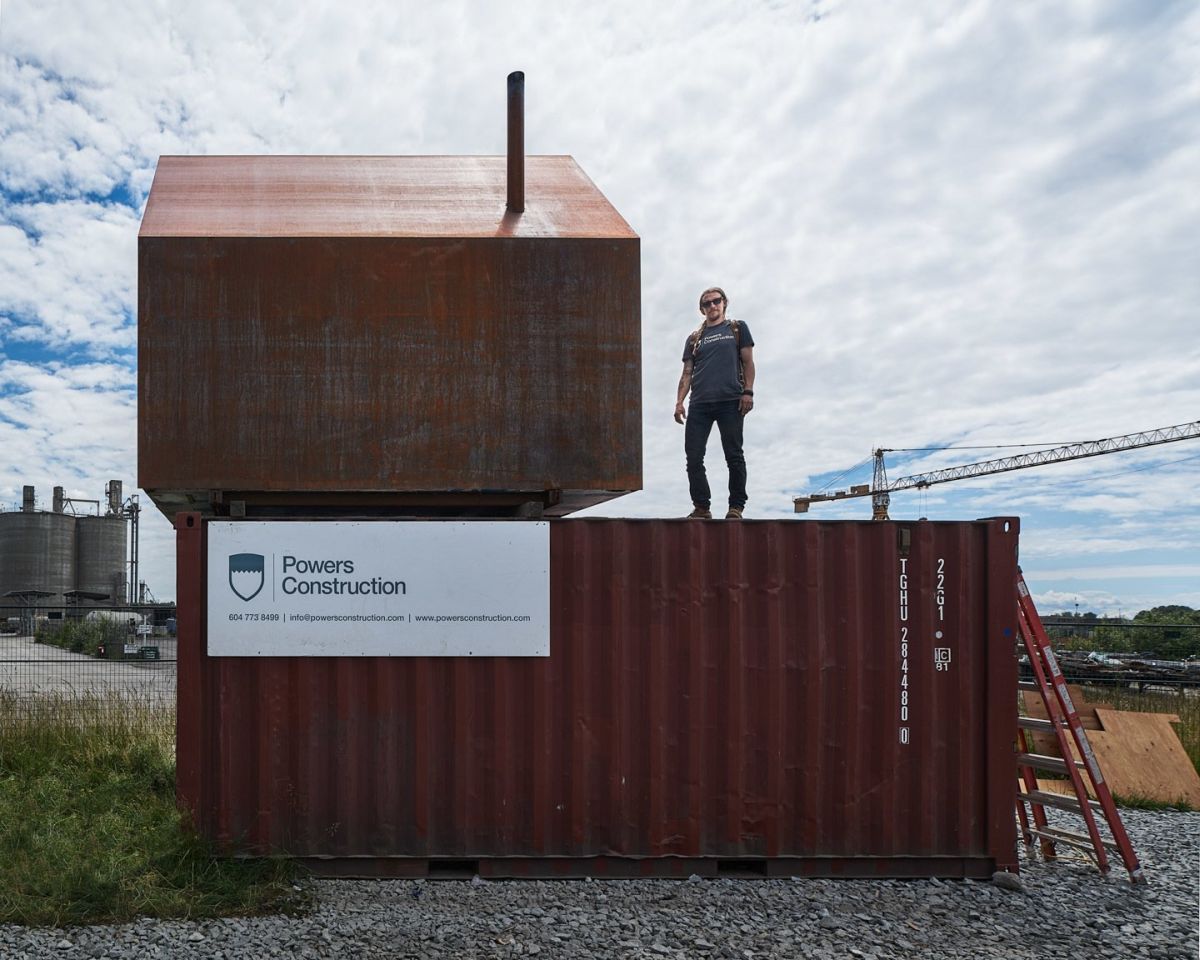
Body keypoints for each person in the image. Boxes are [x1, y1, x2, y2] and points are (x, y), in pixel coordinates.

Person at [674, 286, 755, 519]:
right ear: (702, 309)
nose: (712, 306)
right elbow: (687, 372)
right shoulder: (694, 339)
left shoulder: (737, 329)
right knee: (694, 457)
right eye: (707, 303)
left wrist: (748, 392)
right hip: (699, 404)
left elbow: (748, 362)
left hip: (731, 401)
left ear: (724, 303)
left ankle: (736, 507)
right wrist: (679, 402)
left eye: (716, 301)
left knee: (734, 455)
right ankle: (702, 507)